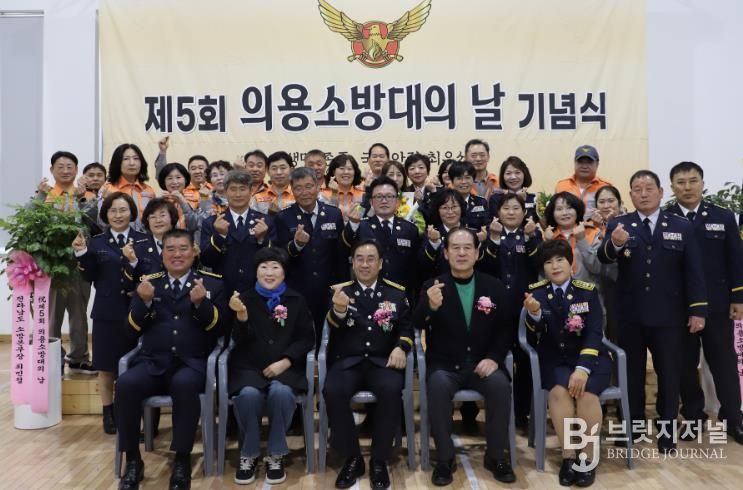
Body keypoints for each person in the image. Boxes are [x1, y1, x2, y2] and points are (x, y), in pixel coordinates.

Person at [598, 170, 707, 452]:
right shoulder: (620, 224)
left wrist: (697, 310)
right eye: (637, 189)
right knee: (631, 374)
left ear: (660, 192)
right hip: (630, 315)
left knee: (669, 374)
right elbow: (603, 257)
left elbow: (694, 272)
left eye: (649, 188)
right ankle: (632, 428)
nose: (643, 194)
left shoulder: (681, 226)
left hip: (669, 316)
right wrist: (615, 243)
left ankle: (667, 430)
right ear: (630, 195)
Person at [115, 229, 225, 490]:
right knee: (126, 384)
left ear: (194, 252)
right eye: (171, 249)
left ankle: (182, 461)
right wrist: (143, 302)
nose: (177, 254)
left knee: (184, 384)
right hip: (153, 362)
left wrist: (202, 304)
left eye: (183, 248)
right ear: (162, 254)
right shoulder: (148, 283)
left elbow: (220, 331)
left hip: (192, 363)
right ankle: (133, 460)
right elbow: (130, 332)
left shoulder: (212, 284)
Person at [413, 227, 515, 486]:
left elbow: (506, 328)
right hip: (446, 366)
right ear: (446, 253)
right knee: (437, 386)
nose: (461, 253)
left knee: (500, 386)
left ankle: (496, 456)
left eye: (467, 247)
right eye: (455, 248)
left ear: (477, 253)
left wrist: (494, 358)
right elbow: (417, 322)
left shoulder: (494, 286)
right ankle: (445, 459)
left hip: (483, 363)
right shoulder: (433, 286)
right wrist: (430, 306)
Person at [324, 239, 413, 490]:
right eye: (359, 259)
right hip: (348, 362)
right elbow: (333, 326)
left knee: (390, 389)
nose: (365, 264)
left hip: (382, 362)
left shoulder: (396, 293)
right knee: (332, 390)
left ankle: (379, 460)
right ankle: (352, 458)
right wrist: (339, 309)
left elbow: (407, 328)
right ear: (352, 263)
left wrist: (401, 346)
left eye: (370, 259)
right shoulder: (340, 292)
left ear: (380, 263)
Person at [524, 240, 610, 487]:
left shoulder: (587, 291)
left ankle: (588, 457)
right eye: (548, 262)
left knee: (586, 395)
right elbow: (534, 333)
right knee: (559, 393)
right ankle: (569, 456)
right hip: (556, 359)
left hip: (590, 358)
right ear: (543, 268)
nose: (555, 266)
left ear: (570, 262)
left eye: (560, 260)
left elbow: (594, 332)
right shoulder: (537, 293)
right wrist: (534, 314)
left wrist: (582, 369)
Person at [667, 161, 743, 444]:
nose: (687, 187)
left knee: (724, 362)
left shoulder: (723, 216)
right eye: (681, 182)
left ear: (702, 183)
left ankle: (733, 418)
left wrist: (738, 297)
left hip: (718, 304)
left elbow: (736, 260)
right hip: (679, 307)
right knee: (685, 364)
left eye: (693, 181)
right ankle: (693, 416)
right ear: (672, 186)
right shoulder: (666, 219)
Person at [227, 247, 315, 485]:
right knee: (248, 395)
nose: (269, 272)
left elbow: (306, 338)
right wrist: (241, 316)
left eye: (275, 267)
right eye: (263, 267)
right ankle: (249, 453)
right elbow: (238, 341)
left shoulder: (296, 300)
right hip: (249, 368)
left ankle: (276, 454)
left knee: (281, 393)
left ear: (284, 273)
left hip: (285, 369)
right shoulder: (243, 300)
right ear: (256, 272)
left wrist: (286, 361)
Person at [73, 192, 146, 434]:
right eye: (113, 210)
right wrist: (81, 253)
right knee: (106, 367)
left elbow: (149, 273)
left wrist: (133, 262)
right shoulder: (97, 242)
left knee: (137, 365)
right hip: (107, 312)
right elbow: (89, 275)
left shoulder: (143, 240)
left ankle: (135, 414)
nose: (118, 215)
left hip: (138, 311)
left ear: (131, 212)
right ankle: (108, 413)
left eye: (123, 210)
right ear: (106, 214)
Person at [34, 151, 97, 374]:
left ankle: (79, 357)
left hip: (79, 264)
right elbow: (31, 221)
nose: (65, 170)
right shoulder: (45, 194)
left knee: (79, 314)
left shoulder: (85, 195)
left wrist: (81, 198)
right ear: (52, 170)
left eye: (70, 166)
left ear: (77, 170)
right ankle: (53, 358)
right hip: (53, 266)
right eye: (60, 166)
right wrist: (40, 196)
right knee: (52, 316)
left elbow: (92, 221)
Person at [484, 193, 542, 428]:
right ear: (498, 213)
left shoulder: (531, 234)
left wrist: (530, 238)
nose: (510, 212)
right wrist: (493, 239)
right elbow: (485, 267)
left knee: (525, 363)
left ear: (524, 212)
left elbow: (538, 264)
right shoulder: (490, 234)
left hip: (523, 310)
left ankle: (521, 414)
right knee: (495, 361)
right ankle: (497, 414)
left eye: (516, 208)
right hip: (494, 312)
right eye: (506, 208)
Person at [275, 167, 347, 344]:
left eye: (309, 186)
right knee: (300, 338)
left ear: (318, 186)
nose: (305, 192)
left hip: (329, 290)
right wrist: (296, 245)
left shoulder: (333, 213)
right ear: (292, 190)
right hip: (297, 290)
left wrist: (343, 286)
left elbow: (341, 255)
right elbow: (279, 257)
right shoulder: (283, 217)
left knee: (331, 338)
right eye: (298, 188)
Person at [200, 170, 275, 298]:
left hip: (257, 289)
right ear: (225, 192)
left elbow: (275, 259)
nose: (238, 194)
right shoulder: (212, 222)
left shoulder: (265, 221)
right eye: (233, 189)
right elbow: (206, 261)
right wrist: (220, 236)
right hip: (223, 291)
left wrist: (262, 239)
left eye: (242, 189)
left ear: (251, 191)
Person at [341, 176, 420, 294]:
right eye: (379, 197)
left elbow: (416, 266)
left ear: (397, 202)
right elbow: (343, 248)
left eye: (389, 196)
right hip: (367, 294)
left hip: (401, 295)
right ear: (371, 202)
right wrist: (352, 223)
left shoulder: (410, 229)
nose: (384, 201)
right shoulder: (361, 226)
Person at [576, 185, 624, 340]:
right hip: (602, 291)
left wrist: (611, 226)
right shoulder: (592, 228)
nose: (606, 205)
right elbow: (596, 264)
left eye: (611, 200)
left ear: (620, 203)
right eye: (602, 202)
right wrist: (601, 228)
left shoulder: (628, 223)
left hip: (624, 290)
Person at [542, 191, 598, 282]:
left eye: (569, 208)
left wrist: (582, 240)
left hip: (588, 289)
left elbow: (597, 268)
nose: (564, 213)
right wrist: (547, 243)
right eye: (559, 209)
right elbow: (542, 273)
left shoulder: (592, 232)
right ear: (552, 213)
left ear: (577, 210)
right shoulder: (547, 236)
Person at [103, 143, 157, 231]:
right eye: (126, 159)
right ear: (117, 163)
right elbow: (102, 221)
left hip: (146, 237)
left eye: (136, 158)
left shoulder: (148, 190)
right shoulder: (108, 189)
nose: (132, 163)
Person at [123, 197, 179, 279]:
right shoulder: (138, 248)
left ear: (172, 218)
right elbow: (128, 283)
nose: (158, 220)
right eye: (153, 217)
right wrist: (133, 262)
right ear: (147, 221)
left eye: (162, 215)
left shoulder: (184, 244)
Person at [419, 189, 467, 280]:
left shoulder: (472, 233)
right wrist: (433, 243)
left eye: (454, 206)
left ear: (461, 208)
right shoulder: (429, 235)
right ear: (438, 210)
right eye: (445, 208)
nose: (450, 212)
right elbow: (423, 266)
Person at [555, 145, 612, 219]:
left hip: (597, 227)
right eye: (580, 162)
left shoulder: (606, 187)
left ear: (597, 164)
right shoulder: (561, 185)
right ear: (574, 162)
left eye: (589, 162)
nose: (584, 166)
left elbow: (617, 214)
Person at [488, 156, 539, 223]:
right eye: (508, 173)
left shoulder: (534, 199)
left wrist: (523, 202)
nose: (513, 177)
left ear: (524, 174)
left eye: (517, 172)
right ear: (503, 177)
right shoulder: (496, 199)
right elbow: (498, 224)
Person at [448, 160, 491, 239]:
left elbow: (487, 227)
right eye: (459, 178)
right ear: (452, 181)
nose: (464, 182)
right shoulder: (446, 203)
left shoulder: (481, 202)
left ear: (473, 180)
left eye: (467, 178)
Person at [382, 160, 426, 235]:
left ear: (404, 178)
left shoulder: (410, 198)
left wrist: (417, 203)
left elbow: (420, 228)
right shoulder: (376, 198)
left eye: (399, 175)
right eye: (391, 175)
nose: (395, 178)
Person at [156, 162, 201, 234]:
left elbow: (195, 225)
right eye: (169, 178)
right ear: (164, 182)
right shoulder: (159, 200)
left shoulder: (197, 198)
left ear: (185, 179)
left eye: (178, 177)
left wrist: (183, 203)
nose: (174, 182)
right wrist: (158, 203)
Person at [321, 154, 365, 223]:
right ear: (334, 172)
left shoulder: (363, 195)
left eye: (349, 169)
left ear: (355, 172)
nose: (346, 172)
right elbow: (328, 217)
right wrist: (334, 194)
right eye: (342, 168)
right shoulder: (323, 195)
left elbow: (368, 215)